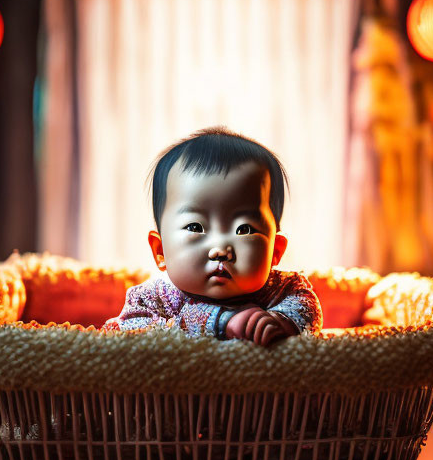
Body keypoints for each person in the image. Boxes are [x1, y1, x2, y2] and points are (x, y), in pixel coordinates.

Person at [104, 127, 322, 346]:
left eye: (244, 229)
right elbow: (131, 332)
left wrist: (281, 322)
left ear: (275, 251)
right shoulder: (153, 298)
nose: (220, 249)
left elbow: (307, 308)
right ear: (160, 251)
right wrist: (219, 322)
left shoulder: (283, 289)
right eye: (195, 227)